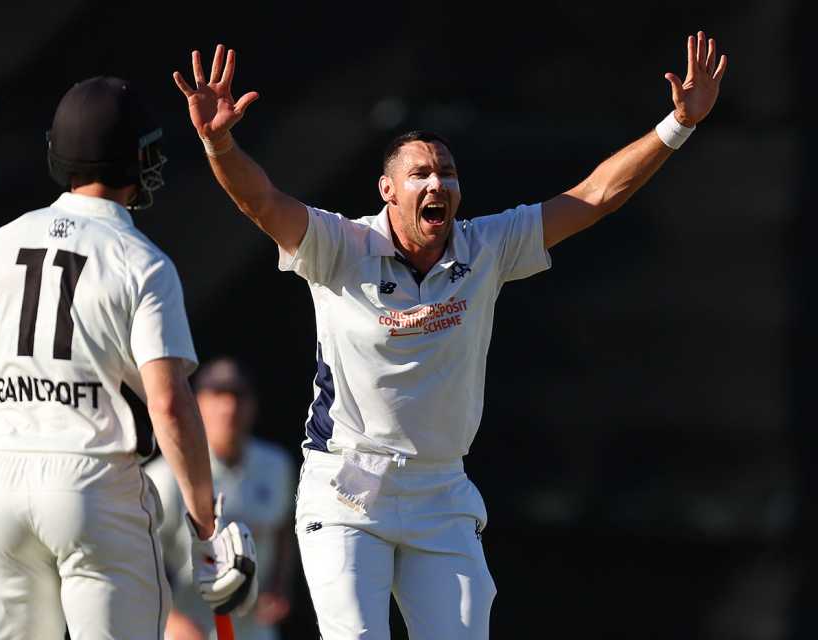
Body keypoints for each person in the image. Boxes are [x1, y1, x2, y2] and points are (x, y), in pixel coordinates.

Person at [171, 32, 727, 640]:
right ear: (388, 191)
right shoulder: (339, 247)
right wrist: (218, 140)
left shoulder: (487, 246)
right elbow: (261, 202)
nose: (437, 183)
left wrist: (678, 123)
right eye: (419, 174)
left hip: (441, 492)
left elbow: (594, 196)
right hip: (347, 493)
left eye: (448, 172)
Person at [0, 75, 257, 639]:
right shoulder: (142, 261)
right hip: (95, 482)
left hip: (0, 485)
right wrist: (207, 528)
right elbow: (170, 406)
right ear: (138, 160)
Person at [145, 356, 298, 640]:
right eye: (218, 395)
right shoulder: (162, 476)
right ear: (197, 403)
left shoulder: (276, 466)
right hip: (188, 629)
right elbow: (136, 554)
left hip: (254, 630)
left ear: (254, 405)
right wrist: (170, 619)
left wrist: (279, 587)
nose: (230, 408)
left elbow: (282, 528)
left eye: (239, 396)